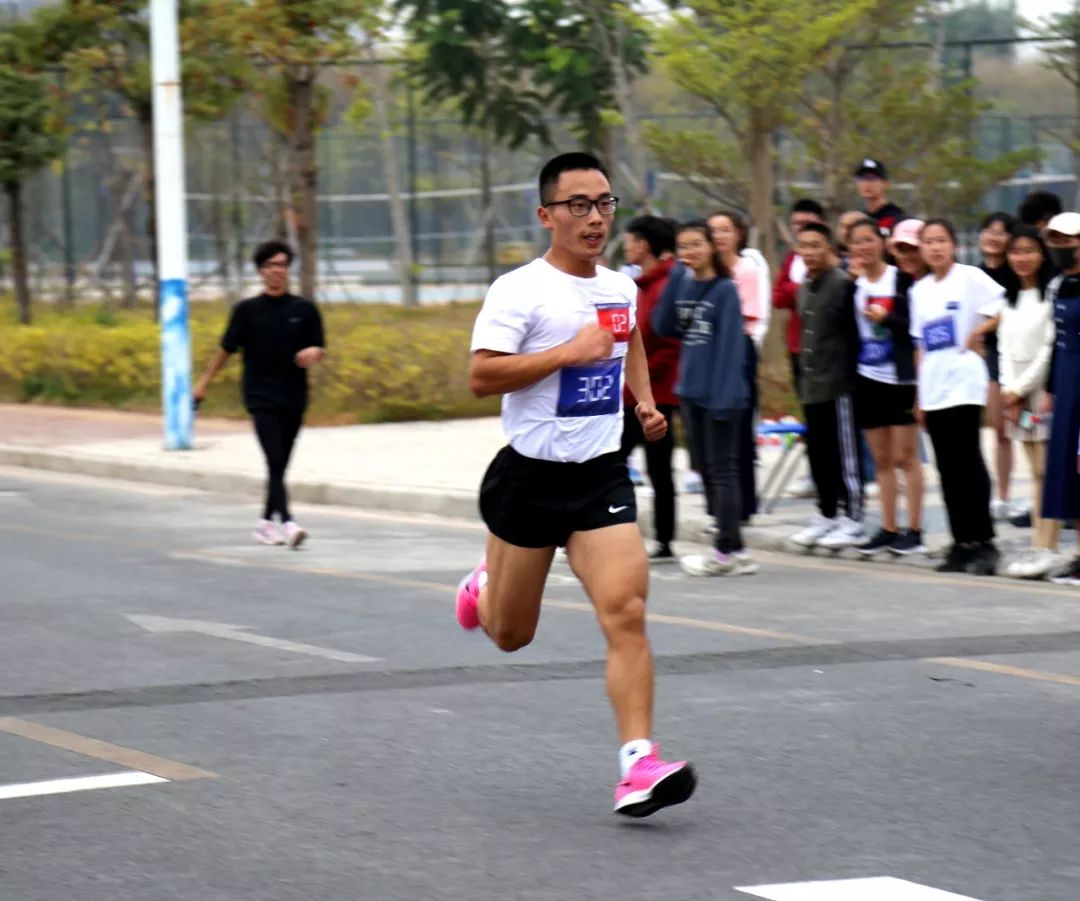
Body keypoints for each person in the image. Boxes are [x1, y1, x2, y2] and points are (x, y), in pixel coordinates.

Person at [456, 152, 696, 817]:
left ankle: (637, 764)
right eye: (579, 205)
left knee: (627, 610)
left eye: (604, 204)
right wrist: (567, 353)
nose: (595, 218)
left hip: (599, 475)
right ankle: (483, 587)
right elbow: (481, 375)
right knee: (511, 634)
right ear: (547, 215)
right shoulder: (518, 290)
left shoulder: (619, 288)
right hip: (529, 478)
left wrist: (643, 402)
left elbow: (630, 343)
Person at [193, 240, 325, 548]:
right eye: (271, 265)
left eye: (282, 265)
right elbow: (225, 350)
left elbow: (319, 346)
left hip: (294, 394)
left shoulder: (304, 309)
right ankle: (288, 523)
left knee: (279, 464)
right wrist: (203, 383)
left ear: (288, 269)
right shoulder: (246, 311)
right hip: (260, 395)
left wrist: (313, 353)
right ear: (261, 271)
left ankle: (264, 522)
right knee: (275, 458)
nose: (277, 271)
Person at [654, 220, 754, 577]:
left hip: (720, 395)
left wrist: (725, 400)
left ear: (712, 246)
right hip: (690, 391)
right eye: (683, 246)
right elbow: (662, 324)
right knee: (708, 471)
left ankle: (725, 552)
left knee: (723, 472)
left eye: (696, 244)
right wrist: (675, 278)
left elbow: (732, 349)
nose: (690, 252)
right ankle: (736, 548)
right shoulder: (682, 282)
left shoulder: (725, 290)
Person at [910, 218, 1004, 575]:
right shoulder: (919, 290)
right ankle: (960, 541)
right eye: (929, 241)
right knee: (946, 467)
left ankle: (984, 541)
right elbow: (920, 344)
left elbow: (1002, 307)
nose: (935, 247)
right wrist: (919, 395)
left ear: (953, 244)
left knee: (968, 461)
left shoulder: (970, 277)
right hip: (934, 386)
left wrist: (979, 331)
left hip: (964, 381)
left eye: (941, 240)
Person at [846, 219, 925, 556]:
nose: (863, 247)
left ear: (882, 243)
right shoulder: (853, 285)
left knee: (906, 457)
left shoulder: (900, 280)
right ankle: (888, 527)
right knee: (881, 459)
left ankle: (915, 530)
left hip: (900, 379)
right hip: (867, 377)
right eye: (856, 242)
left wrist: (887, 319)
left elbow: (914, 328)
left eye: (869, 240)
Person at [789, 223, 867, 549]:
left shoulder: (843, 285)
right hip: (811, 384)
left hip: (838, 385)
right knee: (819, 454)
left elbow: (853, 335)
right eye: (803, 246)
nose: (809, 252)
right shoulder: (804, 288)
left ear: (830, 249)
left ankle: (854, 516)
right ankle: (826, 513)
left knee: (844, 455)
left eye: (815, 245)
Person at [996, 226, 1059, 579]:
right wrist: (1008, 389)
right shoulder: (1008, 298)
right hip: (1016, 397)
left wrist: (1019, 388)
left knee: (1047, 472)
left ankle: (1046, 546)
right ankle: (1039, 544)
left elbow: (1048, 350)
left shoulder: (1051, 293)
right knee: (1034, 472)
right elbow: (1004, 348)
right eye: (1015, 251)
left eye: (1029, 250)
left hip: (1041, 391)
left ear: (1042, 254)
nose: (1021, 258)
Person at [619, 215, 680, 561]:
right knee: (619, 464)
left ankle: (664, 539)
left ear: (643, 245)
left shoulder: (664, 285)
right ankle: (622, 533)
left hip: (654, 395)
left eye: (630, 241)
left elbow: (669, 344)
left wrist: (640, 377)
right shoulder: (642, 285)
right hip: (636, 394)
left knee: (654, 468)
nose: (627, 247)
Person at [709, 210, 763, 522]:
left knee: (740, 430)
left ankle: (745, 505)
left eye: (725, 229)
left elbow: (747, 316)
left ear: (738, 234)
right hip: (709, 352)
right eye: (713, 230)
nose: (719, 236)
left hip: (739, 349)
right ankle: (719, 506)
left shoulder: (747, 270)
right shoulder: (703, 272)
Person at [1038, 212, 1080, 585]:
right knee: (1070, 468)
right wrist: (1051, 390)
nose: (1060, 248)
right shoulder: (1057, 285)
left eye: (1068, 241)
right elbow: (1055, 341)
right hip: (1066, 381)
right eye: (1055, 241)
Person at [974, 212, 1022, 522]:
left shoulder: (1016, 272)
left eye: (1001, 232)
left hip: (1013, 356)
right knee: (998, 428)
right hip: (984, 357)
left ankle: (1005, 494)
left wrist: (982, 329)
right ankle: (999, 496)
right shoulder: (972, 274)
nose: (994, 237)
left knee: (1018, 425)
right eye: (989, 230)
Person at [773, 199, 825, 396]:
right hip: (797, 343)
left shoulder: (831, 260)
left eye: (806, 223)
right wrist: (801, 288)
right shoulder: (792, 258)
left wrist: (794, 290)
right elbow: (777, 298)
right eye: (796, 223)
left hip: (823, 347)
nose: (800, 228)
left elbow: (821, 297)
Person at [853, 159, 906, 237]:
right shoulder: (859, 217)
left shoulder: (895, 215)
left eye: (872, 178)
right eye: (862, 179)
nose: (867, 184)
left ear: (886, 184)